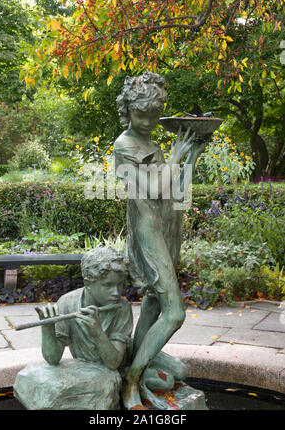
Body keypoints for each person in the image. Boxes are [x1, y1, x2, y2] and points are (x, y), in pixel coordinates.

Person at [113, 72, 206, 410]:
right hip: (148, 234)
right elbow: (151, 190)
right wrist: (177, 156)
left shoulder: (151, 143)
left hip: (167, 227)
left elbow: (174, 191)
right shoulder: (124, 146)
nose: (150, 122)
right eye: (143, 115)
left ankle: (136, 365)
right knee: (175, 313)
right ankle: (131, 383)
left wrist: (191, 154)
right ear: (127, 110)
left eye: (156, 116)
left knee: (154, 304)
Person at [35, 246, 133, 373]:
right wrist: (48, 328)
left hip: (111, 373)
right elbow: (52, 359)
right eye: (108, 285)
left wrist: (97, 332)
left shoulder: (122, 308)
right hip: (83, 369)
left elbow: (113, 363)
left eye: (120, 284)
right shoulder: (67, 303)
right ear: (88, 284)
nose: (116, 292)